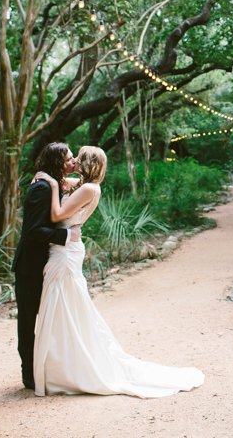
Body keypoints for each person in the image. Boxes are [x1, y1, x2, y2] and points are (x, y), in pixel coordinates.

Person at [31, 146, 204, 398]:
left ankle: (69, 368)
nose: (75, 160)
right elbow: (61, 180)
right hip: (65, 249)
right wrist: (51, 177)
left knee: (67, 304)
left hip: (66, 253)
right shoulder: (83, 184)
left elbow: (57, 215)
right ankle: (60, 364)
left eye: (79, 157)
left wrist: (50, 182)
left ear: (88, 164)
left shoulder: (89, 189)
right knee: (65, 305)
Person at [11, 142, 81, 391]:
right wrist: (66, 237)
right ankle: (29, 376)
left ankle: (49, 369)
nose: (73, 162)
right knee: (28, 320)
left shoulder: (53, 184)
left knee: (54, 318)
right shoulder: (40, 188)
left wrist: (60, 180)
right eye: (70, 158)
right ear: (57, 162)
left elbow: (86, 183)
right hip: (31, 266)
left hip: (51, 264)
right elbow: (33, 230)